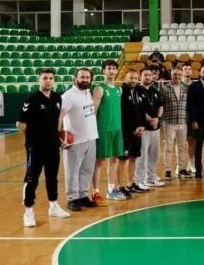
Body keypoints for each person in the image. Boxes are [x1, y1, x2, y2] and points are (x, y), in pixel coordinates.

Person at [16, 68, 70, 227]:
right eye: (45, 78)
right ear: (39, 80)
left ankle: (53, 206)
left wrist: (60, 138)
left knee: (52, 176)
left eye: (51, 78)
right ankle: (28, 212)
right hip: (36, 146)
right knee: (32, 178)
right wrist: (33, 139)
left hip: (53, 145)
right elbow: (20, 124)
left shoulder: (57, 98)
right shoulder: (31, 99)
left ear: (54, 81)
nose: (48, 80)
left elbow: (56, 121)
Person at [59, 68, 102, 210]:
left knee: (87, 170)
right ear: (75, 78)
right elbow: (59, 116)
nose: (85, 80)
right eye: (82, 77)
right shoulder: (68, 96)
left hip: (90, 138)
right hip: (74, 141)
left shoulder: (87, 93)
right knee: (72, 171)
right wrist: (59, 137)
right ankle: (72, 198)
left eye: (87, 77)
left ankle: (83, 195)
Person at [93, 59, 128, 201]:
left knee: (113, 160)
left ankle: (111, 189)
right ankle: (95, 191)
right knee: (100, 161)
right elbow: (94, 112)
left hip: (116, 129)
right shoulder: (99, 89)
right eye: (109, 68)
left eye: (114, 68)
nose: (112, 71)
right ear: (104, 70)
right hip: (103, 129)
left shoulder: (119, 89)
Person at [119, 69, 148, 194]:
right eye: (131, 78)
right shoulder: (122, 92)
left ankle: (130, 183)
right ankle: (119, 186)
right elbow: (123, 115)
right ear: (125, 78)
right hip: (126, 132)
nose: (134, 80)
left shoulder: (139, 91)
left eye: (136, 78)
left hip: (138, 132)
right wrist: (132, 129)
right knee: (123, 159)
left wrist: (142, 126)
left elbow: (142, 112)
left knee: (133, 158)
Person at [135, 68, 165, 188]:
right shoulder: (136, 90)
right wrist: (149, 119)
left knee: (154, 155)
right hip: (144, 128)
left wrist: (157, 118)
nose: (148, 77)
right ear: (140, 76)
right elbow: (138, 109)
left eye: (149, 75)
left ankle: (151, 177)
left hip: (156, 128)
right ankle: (140, 180)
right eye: (145, 75)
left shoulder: (155, 91)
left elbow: (161, 106)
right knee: (142, 155)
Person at [161, 67, 191, 180]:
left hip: (182, 122)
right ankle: (167, 170)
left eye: (179, 74)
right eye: (175, 75)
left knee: (182, 147)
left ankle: (181, 168)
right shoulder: (165, 88)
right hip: (170, 122)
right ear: (171, 75)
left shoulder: (185, 89)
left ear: (182, 75)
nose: (177, 77)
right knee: (168, 147)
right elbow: (161, 105)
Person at [181, 62, 196, 174]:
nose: (187, 71)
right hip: (180, 116)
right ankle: (179, 165)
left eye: (189, 69)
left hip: (192, 116)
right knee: (180, 142)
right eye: (185, 69)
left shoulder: (196, 85)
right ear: (182, 71)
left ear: (191, 71)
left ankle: (191, 163)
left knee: (191, 141)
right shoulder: (177, 84)